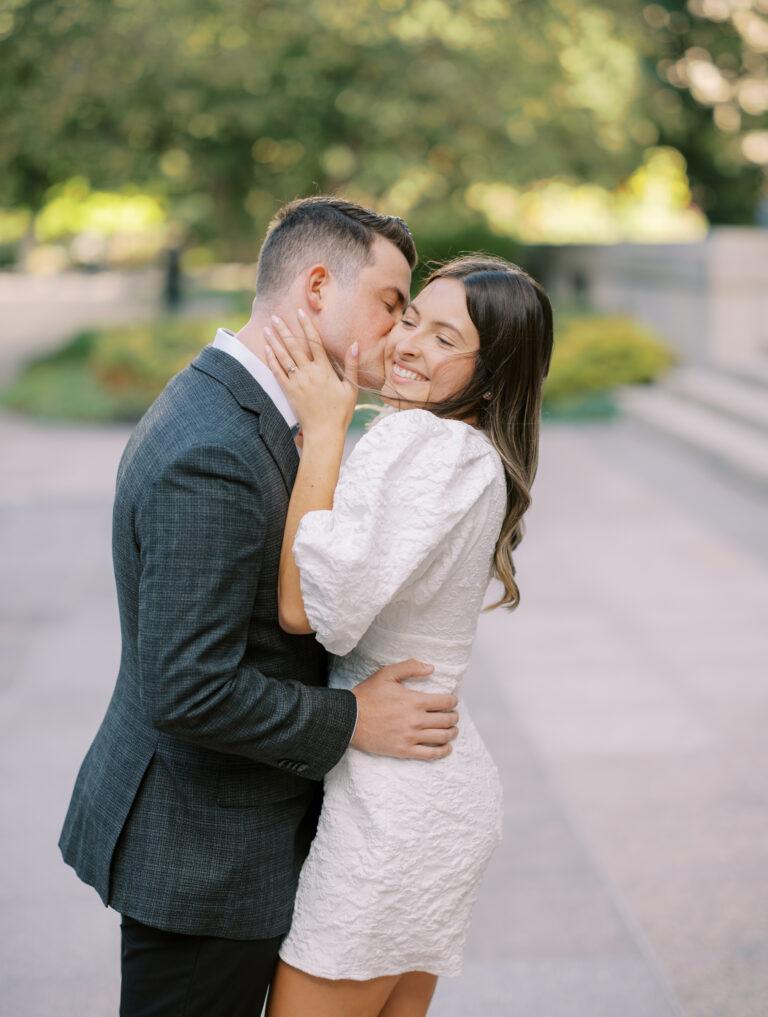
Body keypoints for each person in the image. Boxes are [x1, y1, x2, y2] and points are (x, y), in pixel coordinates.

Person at [58, 196, 464, 1017]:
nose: (402, 332)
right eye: (391, 304)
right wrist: (352, 719)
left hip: (232, 837)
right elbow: (189, 686)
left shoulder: (263, 413)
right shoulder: (213, 447)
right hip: (202, 860)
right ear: (317, 288)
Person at [261, 254, 554, 1017]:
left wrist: (324, 431)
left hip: (391, 806)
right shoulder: (468, 451)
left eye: (444, 337)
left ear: (492, 370)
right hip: (429, 793)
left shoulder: (418, 445)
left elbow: (307, 609)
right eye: (412, 317)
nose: (409, 342)